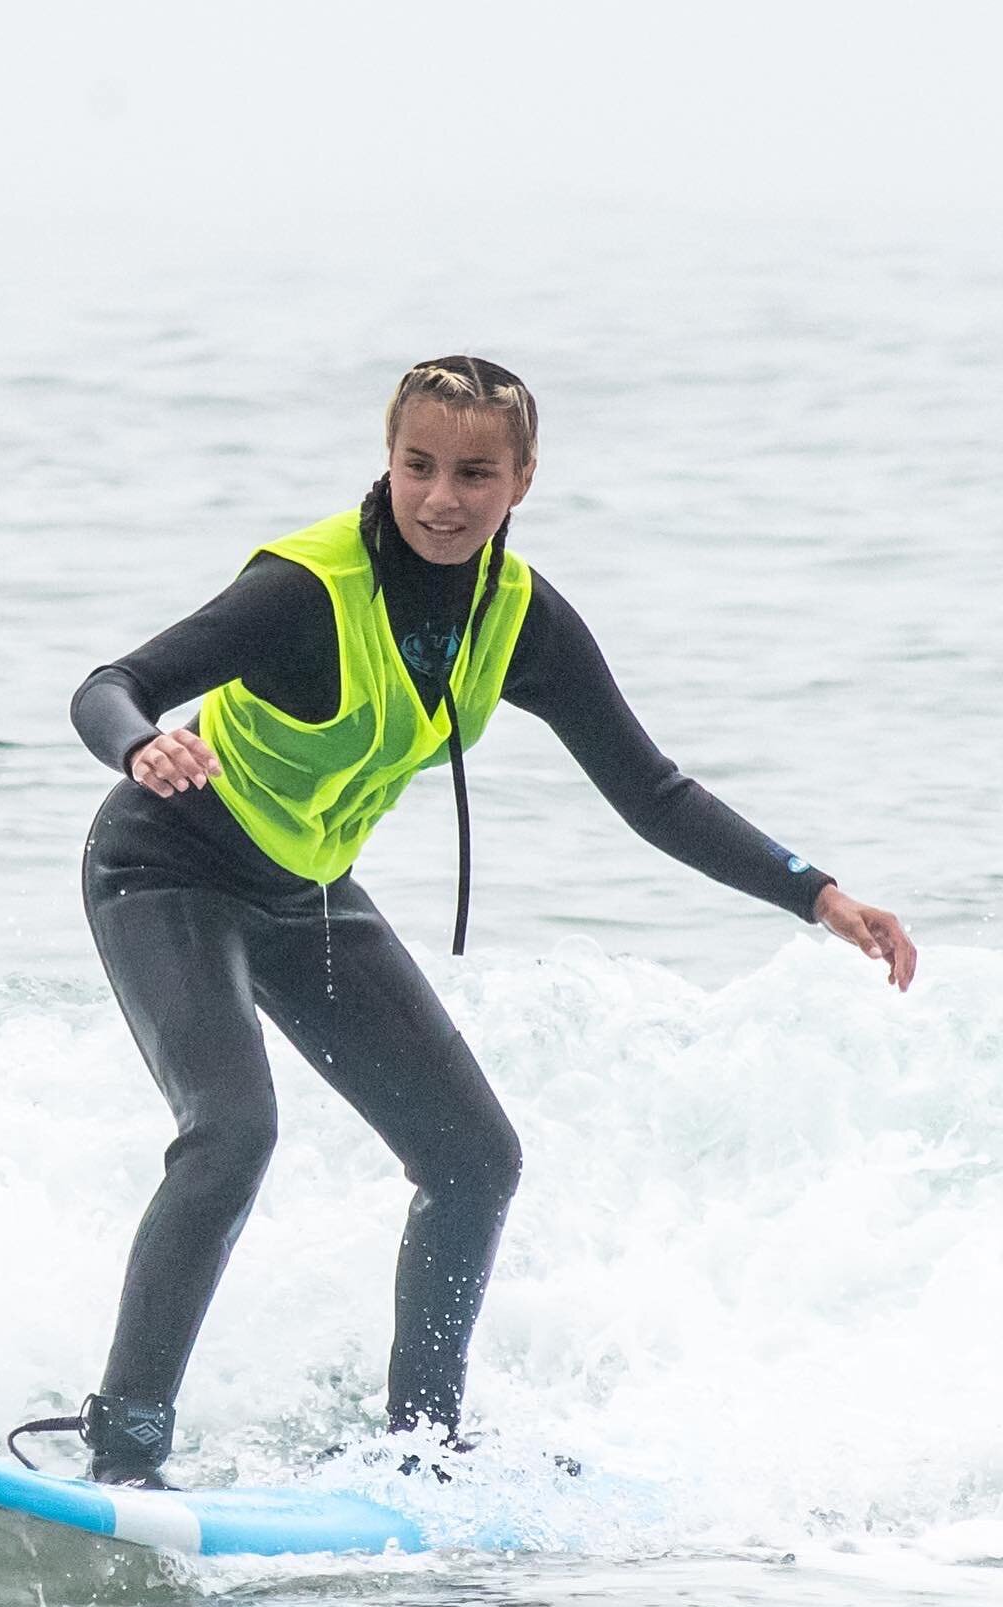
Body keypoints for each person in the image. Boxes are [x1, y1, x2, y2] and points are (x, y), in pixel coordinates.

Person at [63, 354, 916, 1489]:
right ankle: (122, 1449)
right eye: (418, 466)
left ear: (522, 479)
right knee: (233, 1131)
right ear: (389, 460)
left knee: (474, 1159)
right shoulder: (304, 590)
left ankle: (420, 1449)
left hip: (302, 891)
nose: (441, 497)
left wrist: (816, 893)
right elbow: (112, 681)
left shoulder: (521, 621)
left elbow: (650, 791)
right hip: (163, 867)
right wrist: (141, 741)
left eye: (474, 472)